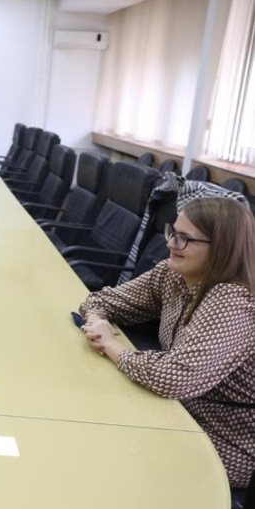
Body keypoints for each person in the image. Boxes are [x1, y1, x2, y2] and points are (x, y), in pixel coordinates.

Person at [79, 197, 255, 494]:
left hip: (221, 440)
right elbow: (100, 300)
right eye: (172, 231)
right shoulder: (173, 274)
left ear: (222, 248)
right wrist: (97, 323)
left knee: (106, 459)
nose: (171, 243)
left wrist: (112, 346)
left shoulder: (234, 301)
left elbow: (174, 379)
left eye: (185, 238)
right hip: (172, 410)